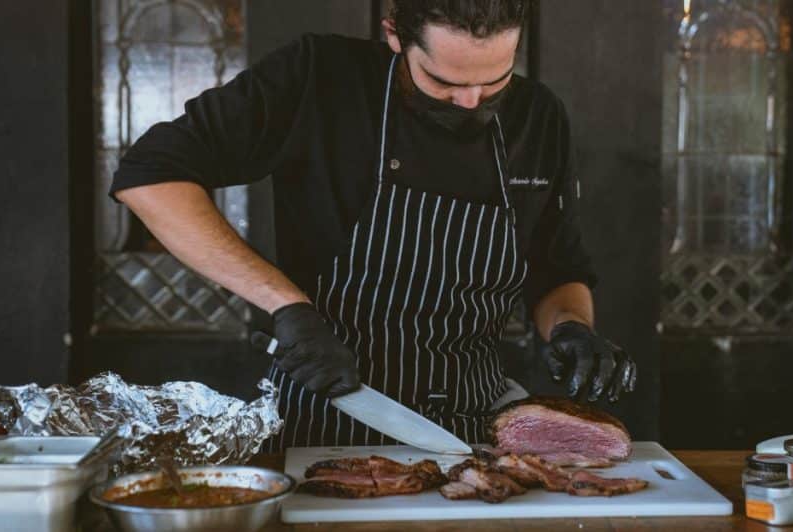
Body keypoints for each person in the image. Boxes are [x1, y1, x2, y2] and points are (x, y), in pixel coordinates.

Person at [110, 0, 636, 449]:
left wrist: (571, 327)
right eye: (444, 82)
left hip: (477, 431)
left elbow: (555, 265)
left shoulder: (539, 116)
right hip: (325, 422)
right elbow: (150, 177)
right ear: (393, 34)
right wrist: (285, 307)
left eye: (495, 81)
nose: (472, 103)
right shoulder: (319, 77)